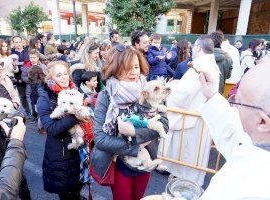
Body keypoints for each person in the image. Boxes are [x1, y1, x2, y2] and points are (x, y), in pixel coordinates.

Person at [91, 44, 169, 200]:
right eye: (128, 67)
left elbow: (164, 125)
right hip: (119, 162)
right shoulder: (106, 96)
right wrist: (134, 147)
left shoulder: (150, 89)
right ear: (116, 68)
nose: (134, 71)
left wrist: (135, 133)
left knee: (139, 197)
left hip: (147, 157)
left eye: (136, 66)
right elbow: (100, 139)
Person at [191, 55, 270, 199]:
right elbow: (234, 135)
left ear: (263, 122)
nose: (233, 105)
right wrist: (212, 95)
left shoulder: (258, 189)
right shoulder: (259, 143)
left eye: (238, 101)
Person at [162, 35, 220, 186]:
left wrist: (171, 88)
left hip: (192, 122)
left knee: (187, 160)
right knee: (195, 158)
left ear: (199, 48)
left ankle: (183, 188)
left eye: (194, 47)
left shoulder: (199, 66)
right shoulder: (211, 65)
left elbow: (183, 94)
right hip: (201, 118)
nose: (192, 50)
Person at [36, 60, 87, 200]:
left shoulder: (74, 90)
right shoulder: (45, 99)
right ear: (50, 78)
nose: (64, 77)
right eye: (59, 75)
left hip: (79, 150)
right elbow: (51, 128)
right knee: (66, 192)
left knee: (78, 186)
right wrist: (75, 117)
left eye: (65, 73)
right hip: (60, 154)